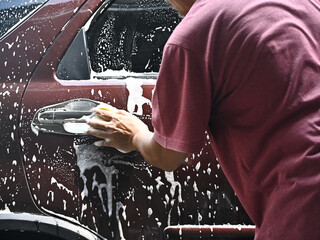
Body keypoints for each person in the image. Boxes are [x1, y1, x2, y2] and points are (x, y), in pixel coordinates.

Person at [87, 0, 320, 239]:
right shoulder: (306, 4)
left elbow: (167, 155)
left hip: (301, 210)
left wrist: (136, 135)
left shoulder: (193, 36)